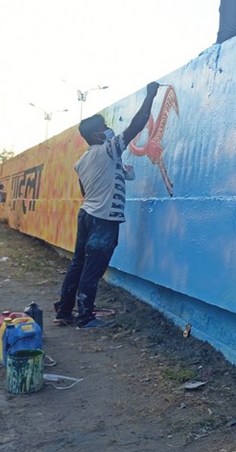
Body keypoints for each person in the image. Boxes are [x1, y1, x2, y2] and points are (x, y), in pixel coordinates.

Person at [54, 81, 159, 329]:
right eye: (103, 127)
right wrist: (150, 97)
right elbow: (136, 126)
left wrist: (118, 174)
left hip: (87, 214)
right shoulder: (109, 149)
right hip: (104, 219)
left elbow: (86, 191)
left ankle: (64, 311)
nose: (108, 129)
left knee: (78, 263)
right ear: (95, 135)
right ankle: (86, 318)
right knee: (93, 268)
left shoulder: (82, 161)